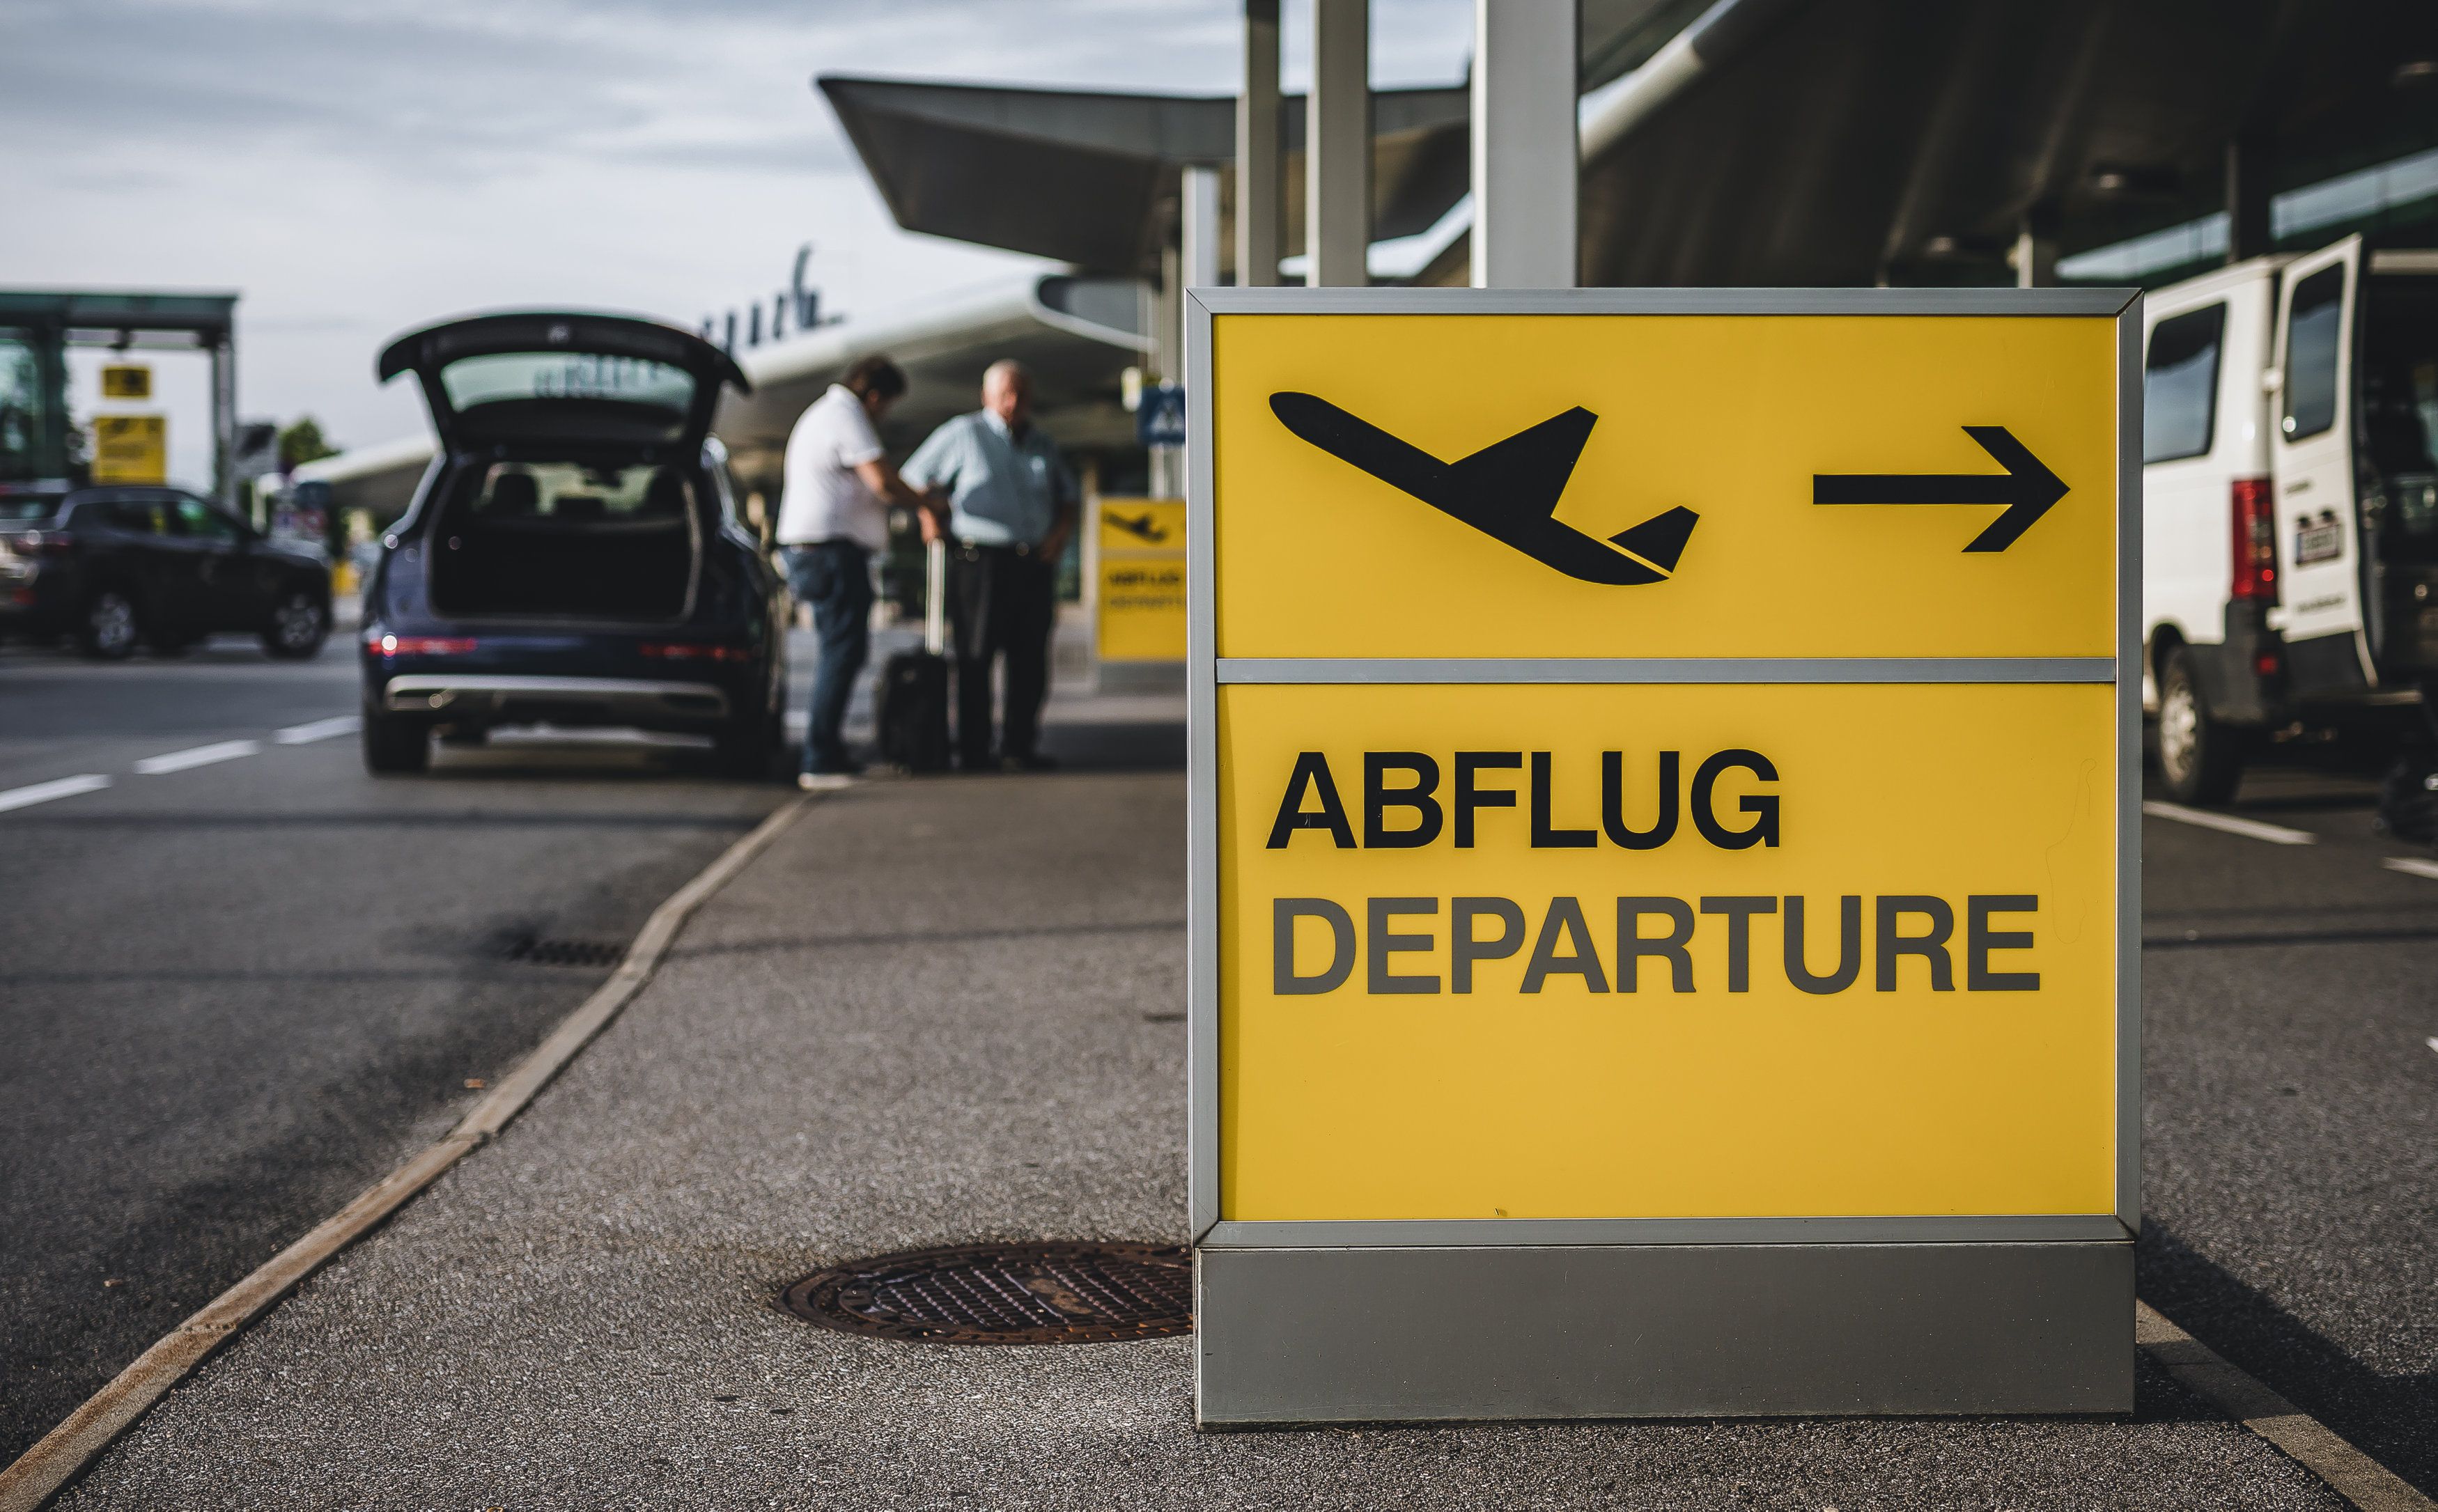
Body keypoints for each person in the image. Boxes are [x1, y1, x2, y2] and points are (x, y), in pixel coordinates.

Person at [901, 359, 1078, 772]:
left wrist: (1058, 537)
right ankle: (975, 750)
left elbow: (1068, 496)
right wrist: (930, 517)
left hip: (1032, 561)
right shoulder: (965, 433)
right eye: (1005, 394)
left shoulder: (1043, 443)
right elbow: (914, 478)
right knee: (976, 657)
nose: (1014, 402)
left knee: (1030, 660)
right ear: (987, 397)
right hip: (980, 562)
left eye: (1021, 394)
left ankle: (1019, 747)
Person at [775, 354, 938, 789]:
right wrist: (928, 504)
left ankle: (827, 751)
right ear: (875, 395)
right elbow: (883, 481)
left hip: (819, 549)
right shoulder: (846, 414)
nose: (884, 415)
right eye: (886, 406)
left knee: (841, 650)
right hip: (830, 552)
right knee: (842, 652)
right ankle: (820, 759)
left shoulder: (825, 413)